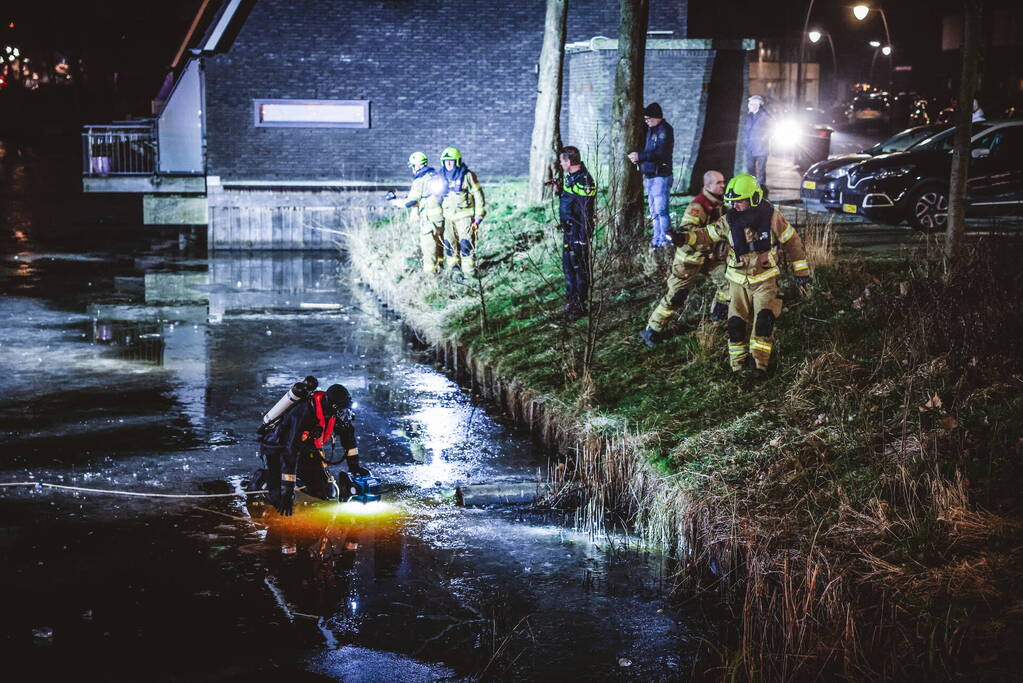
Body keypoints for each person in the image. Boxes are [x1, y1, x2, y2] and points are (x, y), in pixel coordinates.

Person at [677, 174, 811, 379]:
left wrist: (801, 273)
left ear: (754, 198)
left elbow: (792, 241)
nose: (735, 205)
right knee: (735, 325)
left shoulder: (772, 217)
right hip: (737, 282)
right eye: (732, 201)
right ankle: (738, 367)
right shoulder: (729, 220)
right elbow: (707, 234)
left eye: (739, 200)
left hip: (765, 280)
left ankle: (759, 366)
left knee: (764, 322)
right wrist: (684, 238)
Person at [640, 170, 730, 347]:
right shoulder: (698, 207)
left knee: (728, 285)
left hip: (711, 259)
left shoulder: (720, 205)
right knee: (676, 296)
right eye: (719, 183)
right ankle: (652, 330)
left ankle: (717, 320)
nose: (723, 185)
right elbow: (687, 234)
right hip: (690, 260)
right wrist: (709, 247)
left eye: (723, 182)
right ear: (708, 185)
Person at [255, 383, 370, 516]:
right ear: (334, 407)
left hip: (306, 450)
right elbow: (290, 453)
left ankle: (296, 478)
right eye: (343, 410)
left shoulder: (336, 413)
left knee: (328, 493)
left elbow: (348, 438)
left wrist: (354, 467)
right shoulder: (304, 413)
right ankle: (261, 479)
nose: (346, 414)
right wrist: (287, 491)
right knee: (280, 499)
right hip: (277, 449)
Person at [553, 145, 596, 321]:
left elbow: (586, 211)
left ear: (569, 161)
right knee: (568, 268)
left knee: (579, 269)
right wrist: (559, 190)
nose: (560, 164)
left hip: (579, 232)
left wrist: (584, 236)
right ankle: (571, 302)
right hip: (569, 230)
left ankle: (580, 306)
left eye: (562, 161)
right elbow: (570, 199)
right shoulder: (571, 177)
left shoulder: (584, 181)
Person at [628, 102, 674, 249]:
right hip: (650, 175)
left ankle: (665, 240)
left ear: (656, 117)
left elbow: (661, 153)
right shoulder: (651, 130)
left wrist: (640, 157)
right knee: (654, 210)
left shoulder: (664, 131)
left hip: (660, 175)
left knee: (661, 209)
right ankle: (656, 238)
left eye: (648, 118)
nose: (646, 121)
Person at [437, 147, 486, 277]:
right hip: (448, 217)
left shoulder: (468, 175)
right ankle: (455, 272)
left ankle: (469, 274)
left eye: (451, 161)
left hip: (465, 217)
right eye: (446, 161)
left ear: (457, 161)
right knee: (449, 244)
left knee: (466, 244)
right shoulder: (440, 176)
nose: (448, 163)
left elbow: (478, 195)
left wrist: (478, 216)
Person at [394, 151, 444, 274]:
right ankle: (441, 266)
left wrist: (395, 201)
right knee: (439, 241)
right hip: (440, 216)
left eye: (412, 167)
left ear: (417, 166)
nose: (412, 170)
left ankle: (430, 275)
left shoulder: (419, 181)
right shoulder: (436, 175)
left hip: (428, 218)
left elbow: (410, 201)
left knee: (428, 246)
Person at [742, 95, 773, 188]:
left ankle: (761, 187)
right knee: (750, 168)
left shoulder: (765, 115)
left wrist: (764, 139)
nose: (749, 106)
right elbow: (745, 130)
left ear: (757, 105)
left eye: (751, 104)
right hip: (749, 148)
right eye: (749, 104)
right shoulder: (748, 116)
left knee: (761, 170)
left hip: (761, 148)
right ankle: (751, 185)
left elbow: (771, 129)